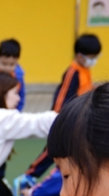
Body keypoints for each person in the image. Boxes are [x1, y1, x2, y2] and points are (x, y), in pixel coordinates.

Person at [26, 34, 100, 179]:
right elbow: (62, 96)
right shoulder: (72, 72)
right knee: (51, 151)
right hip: (65, 119)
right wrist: (58, 118)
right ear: (79, 56)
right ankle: (29, 175)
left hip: (78, 120)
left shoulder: (85, 70)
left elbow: (85, 90)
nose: (93, 61)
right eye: (90, 57)